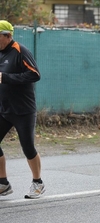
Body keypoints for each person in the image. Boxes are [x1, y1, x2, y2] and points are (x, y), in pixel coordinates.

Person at [0, 20, 45, 199]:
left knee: (27, 147)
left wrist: (6, 77)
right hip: (4, 108)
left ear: (7, 36)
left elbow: (35, 74)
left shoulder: (20, 51)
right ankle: (3, 183)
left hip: (23, 110)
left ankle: (38, 183)